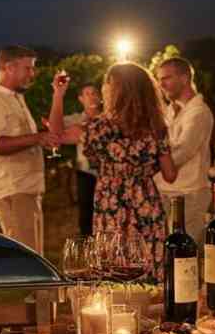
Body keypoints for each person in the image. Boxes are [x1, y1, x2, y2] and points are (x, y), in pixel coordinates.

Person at [49, 64, 177, 253]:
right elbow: (170, 175)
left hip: (111, 205)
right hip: (147, 205)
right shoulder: (156, 128)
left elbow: (56, 134)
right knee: (149, 265)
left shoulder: (98, 128)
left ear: (115, 90)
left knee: (114, 268)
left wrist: (58, 94)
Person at [0, 46, 58, 253]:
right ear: (8, 67)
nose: (32, 74)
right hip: (12, 190)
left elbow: (21, 140)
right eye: (28, 68)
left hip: (26, 189)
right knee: (27, 263)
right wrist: (37, 138)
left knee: (34, 259)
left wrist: (39, 138)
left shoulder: (15, 99)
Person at [153, 57, 214, 243]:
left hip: (190, 193)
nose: (161, 84)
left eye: (166, 78)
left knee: (187, 253)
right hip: (166, 190)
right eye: (159, 79)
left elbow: (181, 153)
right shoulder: (171, 110)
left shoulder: (199, 112)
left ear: (185, 78)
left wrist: (144, 165)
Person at [63, 84, 102, 237]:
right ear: (80, 99)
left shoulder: (109, 118)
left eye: (94, 93)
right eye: (87, 94)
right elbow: (52, 125)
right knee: (86, 214)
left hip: (106, 173)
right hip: (85, 172)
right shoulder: (75, 119)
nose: (92, 96)